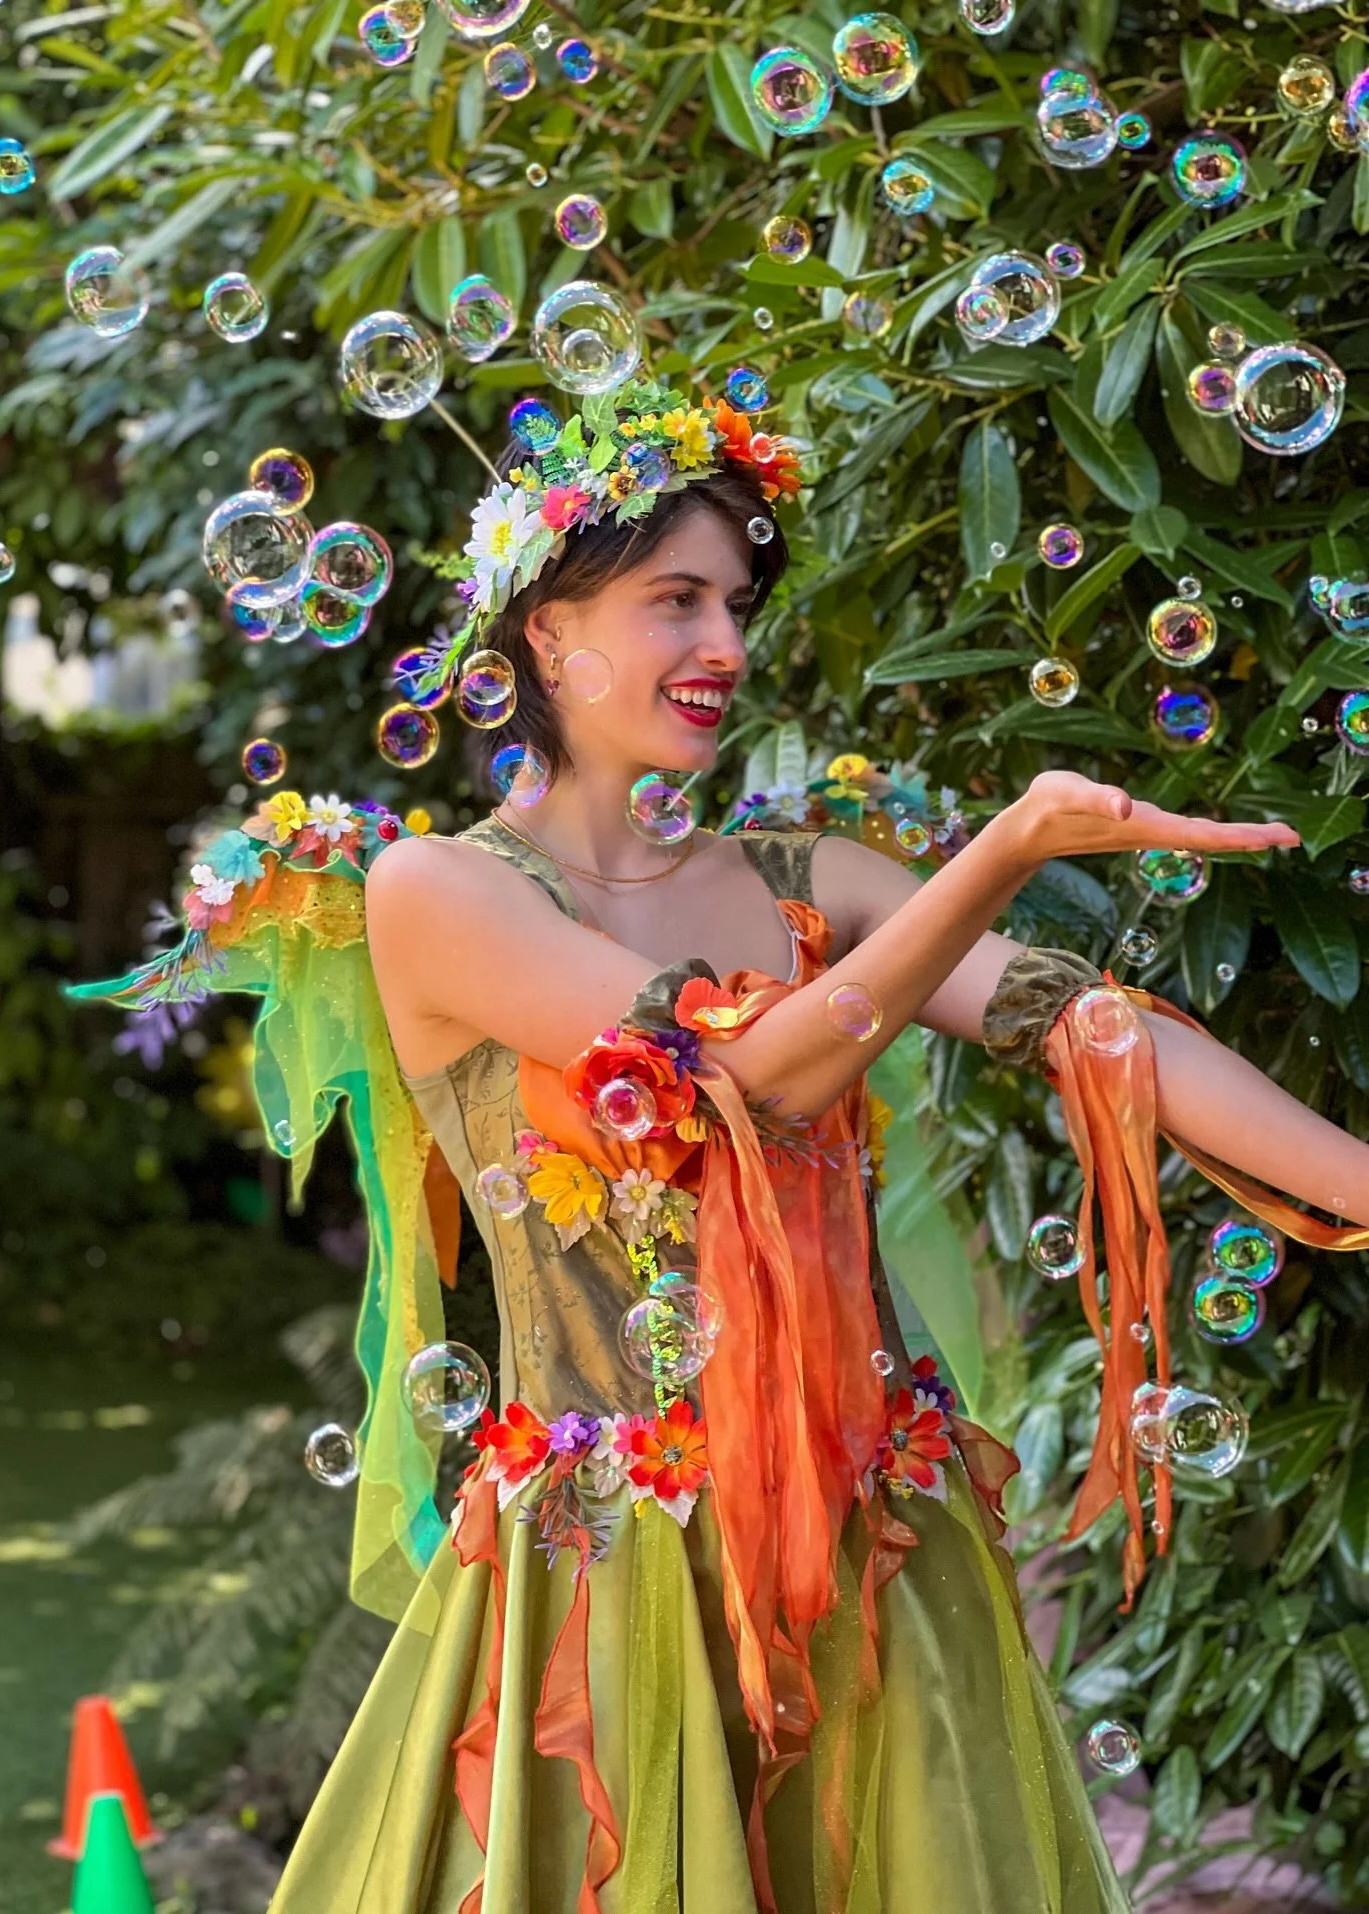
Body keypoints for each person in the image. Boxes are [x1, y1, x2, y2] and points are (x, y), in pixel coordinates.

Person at [74, 379, 1369, 1913]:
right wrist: (1007, 847)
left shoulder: (804, 874)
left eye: (737, 602)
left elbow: (1102, 1031)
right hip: (612, 1581)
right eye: (674, 598)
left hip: (868, 1561)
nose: (727, 646)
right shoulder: (439, 891)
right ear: (546, 633)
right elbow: (751, 1070)